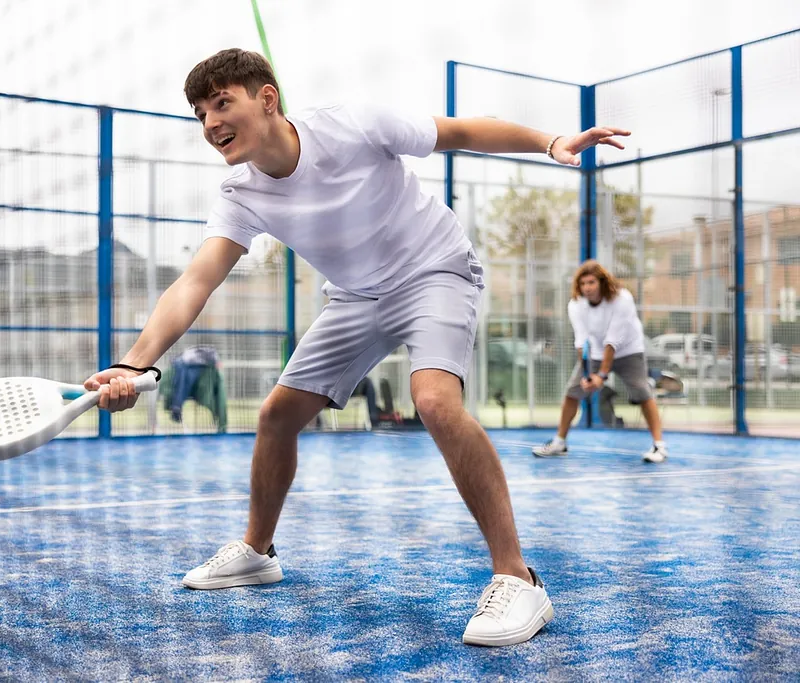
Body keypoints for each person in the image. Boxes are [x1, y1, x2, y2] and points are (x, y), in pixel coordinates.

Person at [84, 48, 630, 646]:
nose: (211, 122)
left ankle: (517, 578)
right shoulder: (240, 193)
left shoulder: (354, 123)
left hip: (434, 272)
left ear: (267, 98)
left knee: (435, 402)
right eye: (200, 112)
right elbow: (196, 281)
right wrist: (133, 363)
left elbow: (462, 130)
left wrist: (552, 143)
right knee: (276, 416)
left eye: (222, 102)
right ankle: (258, 551)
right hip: (355, 298)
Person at [532, 260, 669, 463]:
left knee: (642, 392)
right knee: (572, 392)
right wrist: (588, 376)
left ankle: (659, 446)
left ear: (602, 283)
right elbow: (581, 341)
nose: (587, 288)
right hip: (595, 352)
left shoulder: (622, 299)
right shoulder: (576, 304)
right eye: (583, 284)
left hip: (629, 350)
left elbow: (612, 341)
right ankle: (559, 443)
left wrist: (601, 376)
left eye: (591, 282)